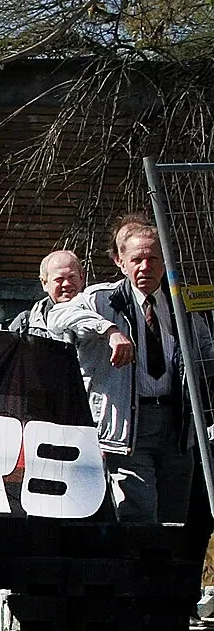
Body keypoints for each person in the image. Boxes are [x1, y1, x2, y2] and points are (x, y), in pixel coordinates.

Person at [70, 215, 214, 525]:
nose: (145, 267)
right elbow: (60, 318)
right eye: (137, 259)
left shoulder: (181, 304)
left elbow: (205, 357)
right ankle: (138, 572)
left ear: (165, 262)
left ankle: (169, 574)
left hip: (178, 425)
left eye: (152, 259)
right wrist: (109, 331)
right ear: (121, 262)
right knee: (139, 516)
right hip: (130, 425)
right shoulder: (102, 300)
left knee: (175, 520)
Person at [9, 250, 135, 363]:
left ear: (82, 277)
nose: (67, 284)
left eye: (71, 277)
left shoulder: (104, 313)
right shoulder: (25, 324)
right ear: (44, 283)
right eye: (59, 279)